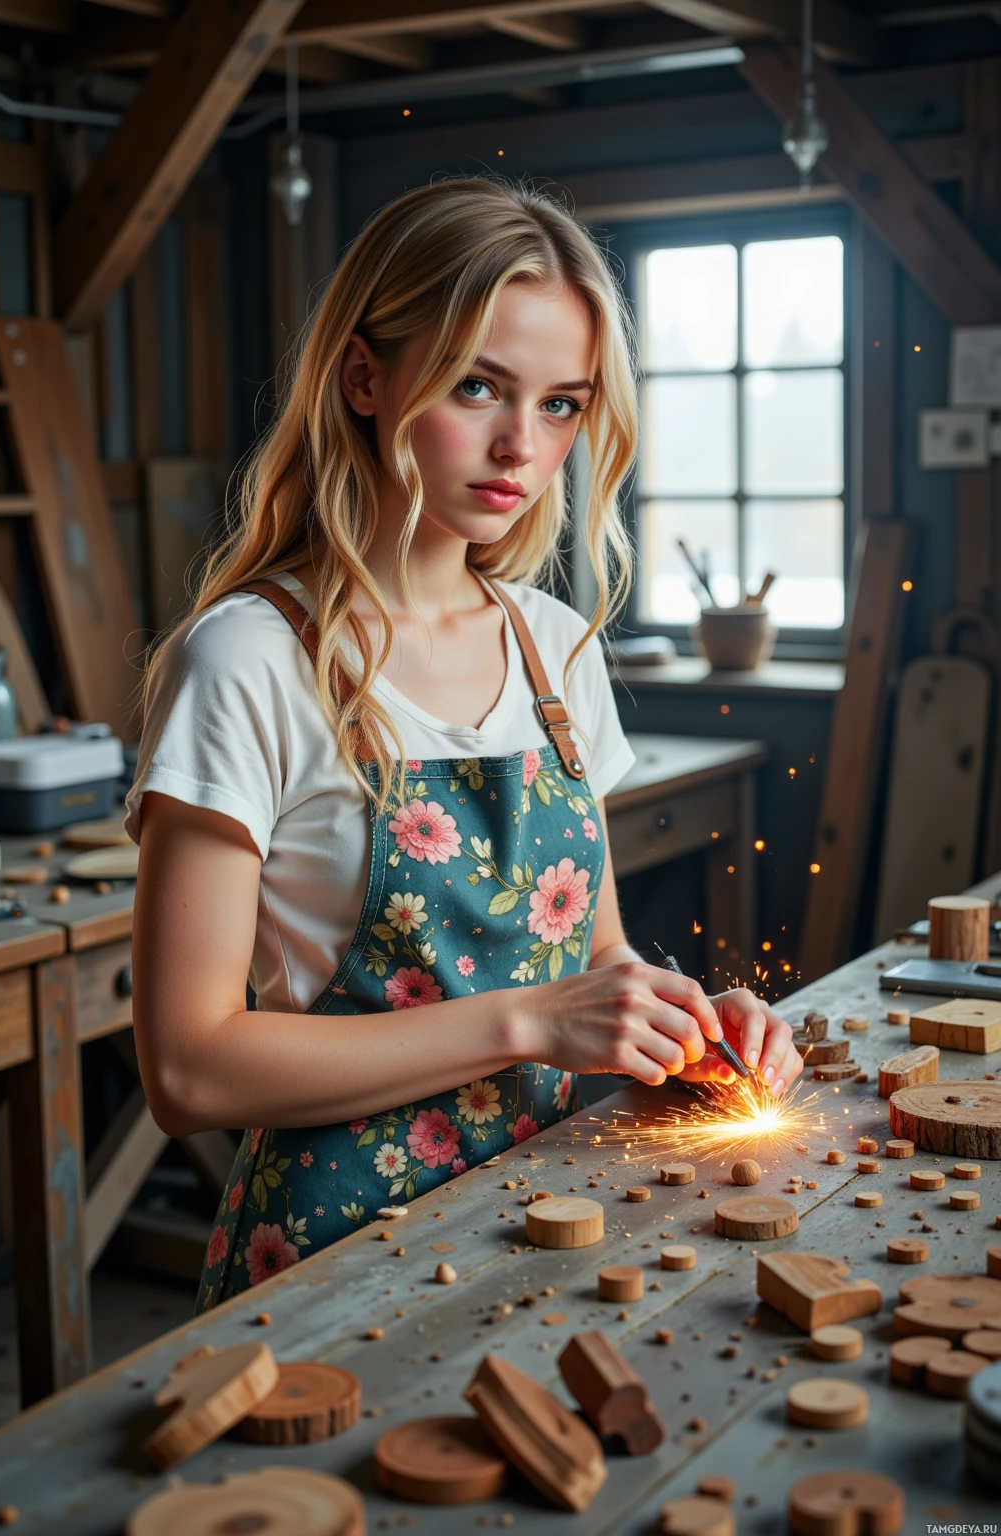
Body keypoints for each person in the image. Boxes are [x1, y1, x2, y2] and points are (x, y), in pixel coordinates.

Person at [127, 179, 803, 1312]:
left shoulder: (553, 649)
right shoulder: (246, 659)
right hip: (333, 1256)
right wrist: (529, 1023)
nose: (519, 446)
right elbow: (188, 1071)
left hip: (548, 1210)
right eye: (478, 385)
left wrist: (676, 1018)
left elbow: (591, 961)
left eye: (560, 405)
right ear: (363, 377)